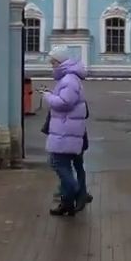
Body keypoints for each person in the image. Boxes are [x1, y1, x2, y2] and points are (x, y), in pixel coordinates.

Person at [42, 47, 88, 216]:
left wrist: (48, 96)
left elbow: (65, 102)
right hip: (66, 130)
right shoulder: (69, 78)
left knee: (58, 164)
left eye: (53, 62)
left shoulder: (69, 79)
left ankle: (76, 191)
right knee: (62, 164)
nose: (52, 66)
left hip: (65, 131)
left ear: (60, 62)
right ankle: (67, 204)